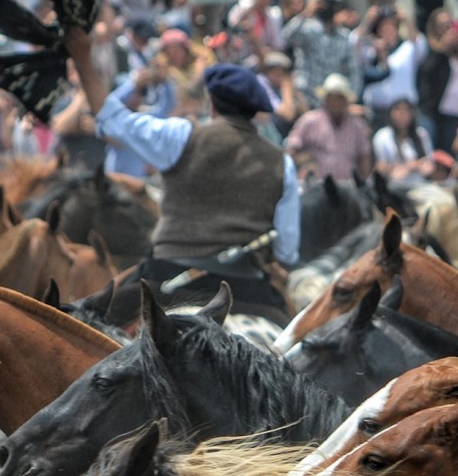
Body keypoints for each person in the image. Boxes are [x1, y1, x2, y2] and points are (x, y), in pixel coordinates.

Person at [65, 23, 299, 321]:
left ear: (211, 103)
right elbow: (288, 251)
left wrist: (83, 59)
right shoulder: (283, 163)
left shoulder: (181, 135)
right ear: (255, 111)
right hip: (245, 284)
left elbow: (112, 121)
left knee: (85, 329)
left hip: (166, 277)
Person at [285, 74, 374, 182]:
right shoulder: (309, 121)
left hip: (346, 187)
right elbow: (291, 150)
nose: (335, 103)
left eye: (339, 98)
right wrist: (304, 160)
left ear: (346, 101)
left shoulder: (357, 126)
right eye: (332, 98)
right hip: (315, 184)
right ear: (325, 100)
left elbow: (364, 156)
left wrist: (363, 181)